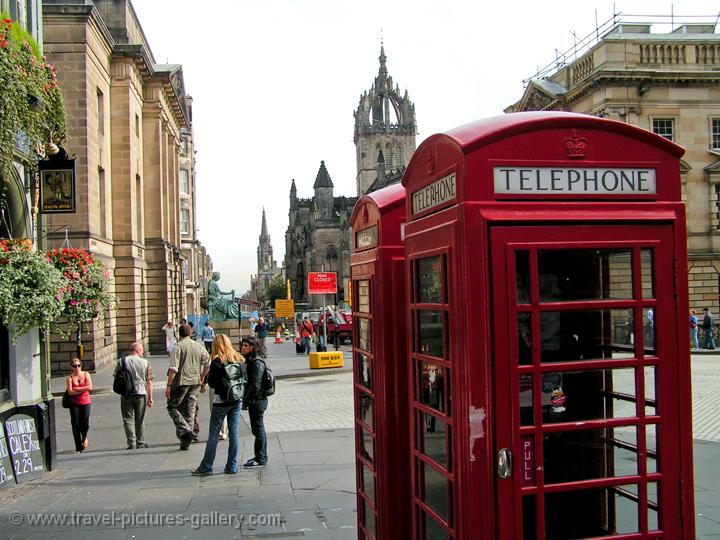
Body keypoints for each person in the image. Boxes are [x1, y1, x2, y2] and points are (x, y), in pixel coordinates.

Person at [191, 334, 245, 475]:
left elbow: (213, 383)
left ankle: (206, 466)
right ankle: (232, 466)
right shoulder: (238, 358)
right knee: (233, 432)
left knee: (214, 434)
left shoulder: (216, 361)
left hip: (221, 402)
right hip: (236, 400)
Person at [166, 323, 210, 450]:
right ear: (190, 333)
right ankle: (187, 440)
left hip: (181, 381)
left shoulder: (178, 347)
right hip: (195, 381)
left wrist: (168, 385)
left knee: (172, 407)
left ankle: (185, 430)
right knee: (190, 411)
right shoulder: (198, 346)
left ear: (179, 334)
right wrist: (202, 376)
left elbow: (173, 368)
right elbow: (208, 363)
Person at [115, 342, 154, 449]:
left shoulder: (122, 361)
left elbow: (116, 376)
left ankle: (131, 442)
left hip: (126, 393)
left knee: (127, 419)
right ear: (137, 350)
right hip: (140, 393)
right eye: (142, 350)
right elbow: (149, 381)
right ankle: (140, 442)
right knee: (140, 419)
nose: (143, 352)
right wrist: (150, 398)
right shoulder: (146, 363)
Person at [241, 337, 268, 468]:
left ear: (252, 347)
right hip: (256, 400)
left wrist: (247, 400)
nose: (243, 348)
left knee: (258, 428)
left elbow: (255, 385)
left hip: (258, 400)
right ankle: (260, 456)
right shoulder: (252, 361)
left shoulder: (257, 362)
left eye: (246, 345)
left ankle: (261, 457)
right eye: (243, 345)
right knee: (257, 429)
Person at [66, 358, 92, 453]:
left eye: (78, 365)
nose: (77, 368)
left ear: (81, 366)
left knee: (85, 423)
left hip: (85, 402)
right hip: (74, 403)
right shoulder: (70, 378)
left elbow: (90, 387)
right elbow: (70, 392)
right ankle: (78, 445)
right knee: (75, 424)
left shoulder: (86, 374)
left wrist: (76, 388)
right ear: (72, 367)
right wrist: (82, 389)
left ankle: (84, 437)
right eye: (74, 366)